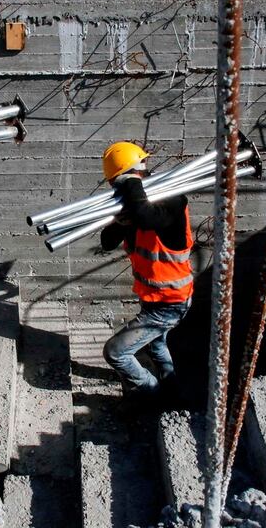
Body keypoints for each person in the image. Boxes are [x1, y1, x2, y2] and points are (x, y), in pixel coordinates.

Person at [98, 141, 193, 400]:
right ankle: (173, 390)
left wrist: (129, 183)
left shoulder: (171, 200)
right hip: (154, 300)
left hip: (171, 303)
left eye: (116, 182)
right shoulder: (133, 207)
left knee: (116, 352)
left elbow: (148, 217)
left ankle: (151, 393)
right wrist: (119, 223)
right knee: (156, 346)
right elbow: (106, 242)